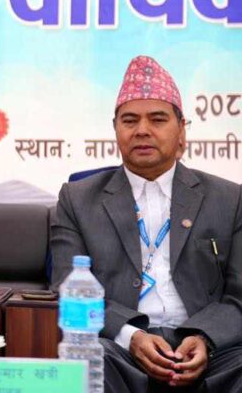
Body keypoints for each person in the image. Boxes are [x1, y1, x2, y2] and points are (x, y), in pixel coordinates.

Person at [51, 55, 242, 392]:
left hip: (210, 352)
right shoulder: (77, 200)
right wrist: (131, 336)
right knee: (86, 361)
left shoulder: (229, 199)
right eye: (130, 120)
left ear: (182, 131)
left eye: (157, 119)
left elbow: (239, 297)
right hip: (119, 351)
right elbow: (67, 288)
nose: (142, 130)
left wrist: (205, 338)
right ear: (115, 130)